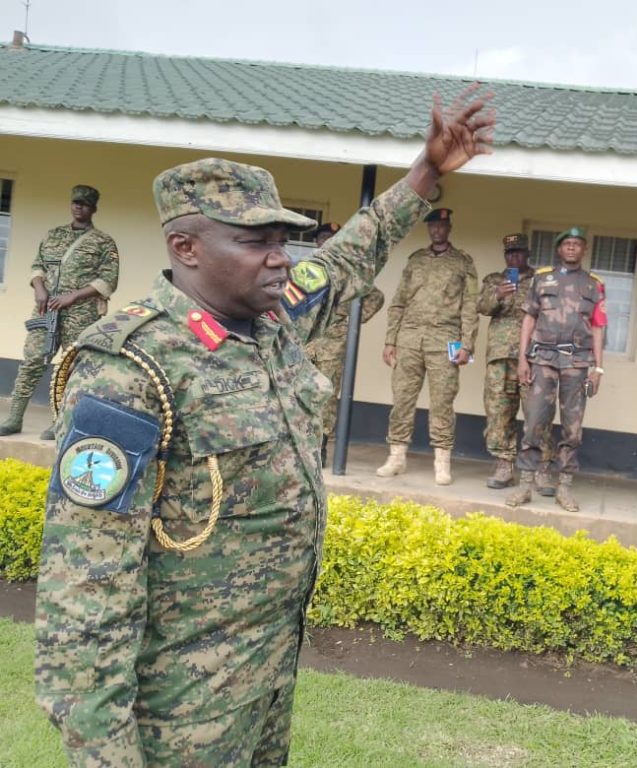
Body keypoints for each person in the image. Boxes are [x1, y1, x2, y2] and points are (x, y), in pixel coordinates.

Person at [35, 86, 494, 767]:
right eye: (256, 241)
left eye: (283, 240)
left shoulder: (271, 317)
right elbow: (87, 594)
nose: (281, 257)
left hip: (267, 675)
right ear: (186, 247)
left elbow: (348, 255)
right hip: (180, 710)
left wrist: (426, 175)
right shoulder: (128, 367)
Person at [0, 185, 119, 439]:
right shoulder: (53, 235)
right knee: (31, 361)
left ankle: (60, 422)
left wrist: (73, 296)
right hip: (46, 309)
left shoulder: (103, 242)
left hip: (81, 313)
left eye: (85, 204)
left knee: (71, 367)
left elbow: (109, 280)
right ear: (71, 205)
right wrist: (39, 288)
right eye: (76, 202)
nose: (79, 207)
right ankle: (14, 418)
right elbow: (37, 265)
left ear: (94, 209)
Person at [506, 226, 606, 512]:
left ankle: (564, 487)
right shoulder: (542, 279)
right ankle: (525, 484)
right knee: (534, 421)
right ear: (559, 249)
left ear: (584, 249)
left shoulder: (594, 285)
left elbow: (599, 327)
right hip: (543, 360)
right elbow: (529, 320)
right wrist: (524, 359)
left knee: (572, 428)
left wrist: (598, 369)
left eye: (577, 244)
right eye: (567, 244)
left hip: (577, 364)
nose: (572, 248)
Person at [377, 207, 479, 485]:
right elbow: (398, 301)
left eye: (442, 225)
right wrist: (390, 340)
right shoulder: (416, 260)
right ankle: (396, 457)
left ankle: (442, 462)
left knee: (442, 402)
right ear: (428, 229)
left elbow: (470, 306)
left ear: (449, 228)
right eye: (432, 226)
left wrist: (467, 345)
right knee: (402, 399)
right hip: (409, 339)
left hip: (444, 339)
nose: (437, 230)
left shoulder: (462, 262)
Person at [477, 233, 556, 490]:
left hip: (534, 357)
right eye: (509, 253)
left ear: (527, 254)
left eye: (519, 252)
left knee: (537, 413)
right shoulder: (494, 280)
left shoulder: (541, 281)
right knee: (499, 412)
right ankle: (503, 465)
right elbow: (481, 306)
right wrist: (498, 294)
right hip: (500, 357)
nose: (514, 257)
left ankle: (542, 468)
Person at [303, 221, 386, 463]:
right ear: (316, 242)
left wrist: (351, 320)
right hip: (306, 343)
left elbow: (375, 297)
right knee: (300, 392)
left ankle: (321, 445)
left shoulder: (350, 272)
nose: (327, 241)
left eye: (333, 237)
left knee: (327, 395)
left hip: (333, 344)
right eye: (323, 237)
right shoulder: (306, 269)